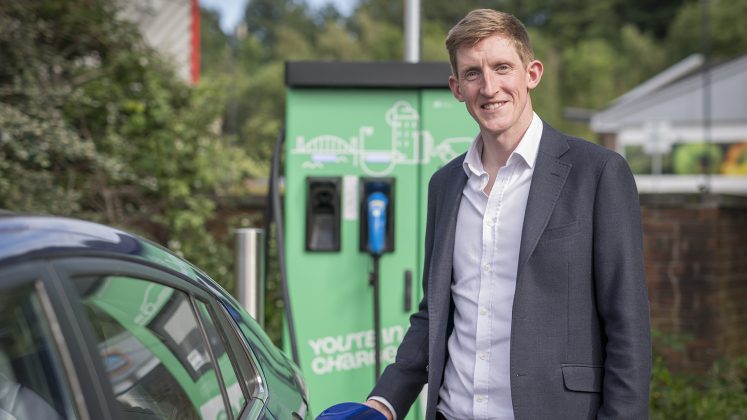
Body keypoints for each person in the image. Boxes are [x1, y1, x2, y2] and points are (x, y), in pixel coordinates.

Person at [364, 8, 651, 420]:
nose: (489, 87)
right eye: (472, 73)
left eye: (502, 68)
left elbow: (628, 325)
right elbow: (435, 313)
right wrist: (385, 401)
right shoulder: (445, 185)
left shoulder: (598, 173)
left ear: (532, 73)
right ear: (457, 88)